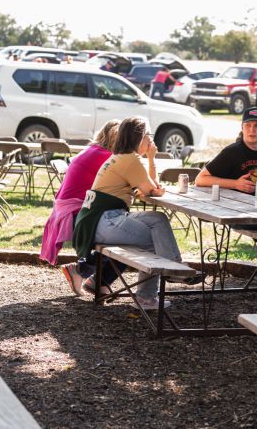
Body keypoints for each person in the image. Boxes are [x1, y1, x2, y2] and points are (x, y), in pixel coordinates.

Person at [72, 116, 182, 310]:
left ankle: (174, 267)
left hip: (97, 221)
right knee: (155, 239)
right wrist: (151, 157)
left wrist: (149, 176)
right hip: (105, 221)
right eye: (148, 135)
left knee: (158, 220)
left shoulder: (122, 157)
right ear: (137, 138)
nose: (150, 141)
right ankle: (149, 296)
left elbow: (146, 189)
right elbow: (151, 189)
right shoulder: (131, 160)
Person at [39, 120, 121, 295]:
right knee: (128, 238)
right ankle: (89, 275)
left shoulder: (94, 150)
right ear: (116, 139)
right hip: (75, 212)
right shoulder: (105, 156)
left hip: (71, 209)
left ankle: (96, 280)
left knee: (126, 233)